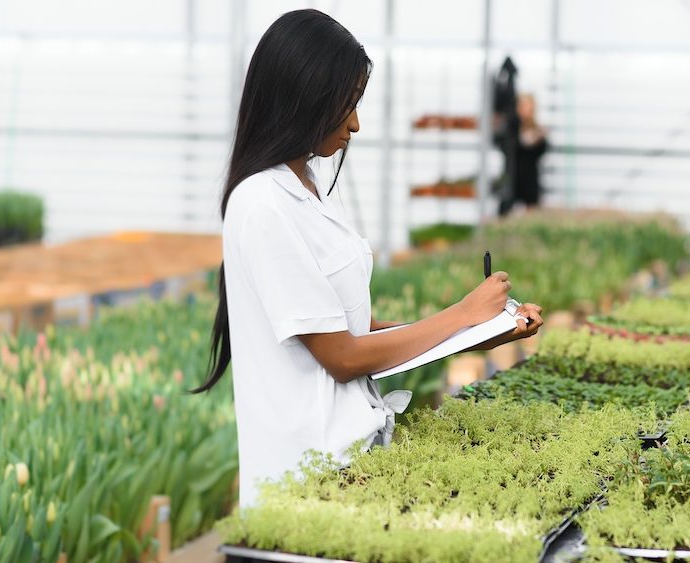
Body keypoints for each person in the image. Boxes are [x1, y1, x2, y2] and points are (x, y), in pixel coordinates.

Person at [190, 9, 544, 510]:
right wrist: (463, 313)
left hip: (346, 467)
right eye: (346, 105)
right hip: (305, 484)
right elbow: (342, 357)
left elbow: (354, 328)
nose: (355, 123)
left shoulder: (308, 187)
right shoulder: (261, 203)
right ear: (303, 99)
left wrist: (480, 334)